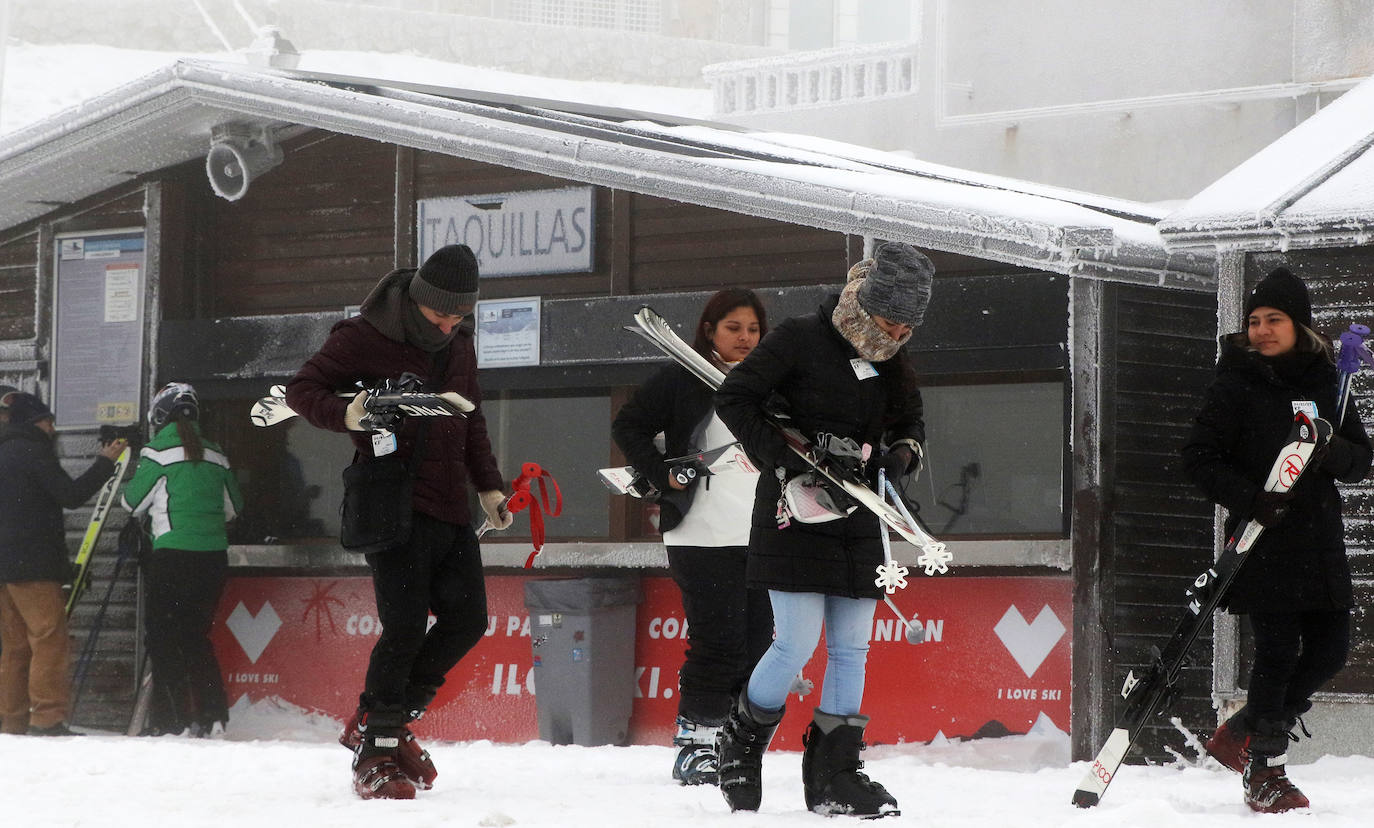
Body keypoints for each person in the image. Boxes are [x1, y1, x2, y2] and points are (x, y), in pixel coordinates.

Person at [286, 244, 511, 801]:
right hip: (391, 502)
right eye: (441, 315)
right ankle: (380, 746)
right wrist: (348, 412)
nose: (450, 325)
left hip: (450, 505)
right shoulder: (362, 336)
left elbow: (471, 416)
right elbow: (301, 391)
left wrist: (488, 485)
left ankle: (377, 720)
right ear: (417, 301)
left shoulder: (459, 345)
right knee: (406, 625)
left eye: (460, 317)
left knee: (468, 620)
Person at [714, 242, 931, 818]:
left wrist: (902, 456)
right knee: (795, 642)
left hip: (859, 512)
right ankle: (740, 741)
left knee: (853, 647)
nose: (900, 334)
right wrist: (785, 461)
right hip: (795, 508)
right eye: (892, 321)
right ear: (867, 305)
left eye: (910, 326)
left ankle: (835, 772)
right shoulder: (798, 338)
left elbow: (910, 419)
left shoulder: (889, 354)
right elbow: (735, 398)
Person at [1182, 266, 1371, 814]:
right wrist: (1251, 499)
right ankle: (1264, 768)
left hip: (1319, 541)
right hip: (1263, 538)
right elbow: (1197, 459)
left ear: (1299, 326)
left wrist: (1330, 447)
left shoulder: (1328, 384)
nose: (1261, 330)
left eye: (1274, 319)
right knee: (1279, 651)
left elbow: (1360, 462)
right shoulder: (1235, 382)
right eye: (1254, 320)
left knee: (1331, 650)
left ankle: (1242, 729)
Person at [612, 289, 774, 786]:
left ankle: (732, 744)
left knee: (757, 646)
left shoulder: (772, 383)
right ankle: (695, 744)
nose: (745, 338)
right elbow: (630, 424)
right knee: (718, 642)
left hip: (764, 532)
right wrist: (660, 474)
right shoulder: (685, 376)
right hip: (702, 535)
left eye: (752, 329)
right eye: (733, 328)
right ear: (710, 330)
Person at [120, 382, 243, 737]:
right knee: (195, 638)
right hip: (212, 560)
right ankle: (213, 716)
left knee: (162, 638)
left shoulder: (157, 452)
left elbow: (131, 503)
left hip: (172, 557)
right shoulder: (217, 454)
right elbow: (234, 508)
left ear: (161, 416)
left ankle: (169, 720)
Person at [0, 392, 126, 735]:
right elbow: (70, 496)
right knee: (49, 640)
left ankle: (10, 722)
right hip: (34, 565)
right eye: (47, 421)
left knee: (14, 648)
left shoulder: (4, 452)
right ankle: (46, 718)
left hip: (5, 567)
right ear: (32, 423)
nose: (52, 428)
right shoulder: (34, 451)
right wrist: (105, 462)